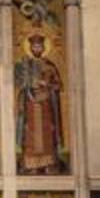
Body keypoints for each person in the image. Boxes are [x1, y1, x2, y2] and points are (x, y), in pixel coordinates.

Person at [15, 34, 65, 174]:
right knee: (30, 134)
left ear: (43, 48)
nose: (37, 48)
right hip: (30, 104)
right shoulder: (25, 65)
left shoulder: (49, 65)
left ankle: (48, 164)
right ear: (30, 48)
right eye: (34, 46)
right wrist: (28, 84)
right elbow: (19, 82)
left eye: (39, 46)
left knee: (47, 132)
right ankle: (32, 165)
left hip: (46, 105)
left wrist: (47, 84)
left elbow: (59, 85)